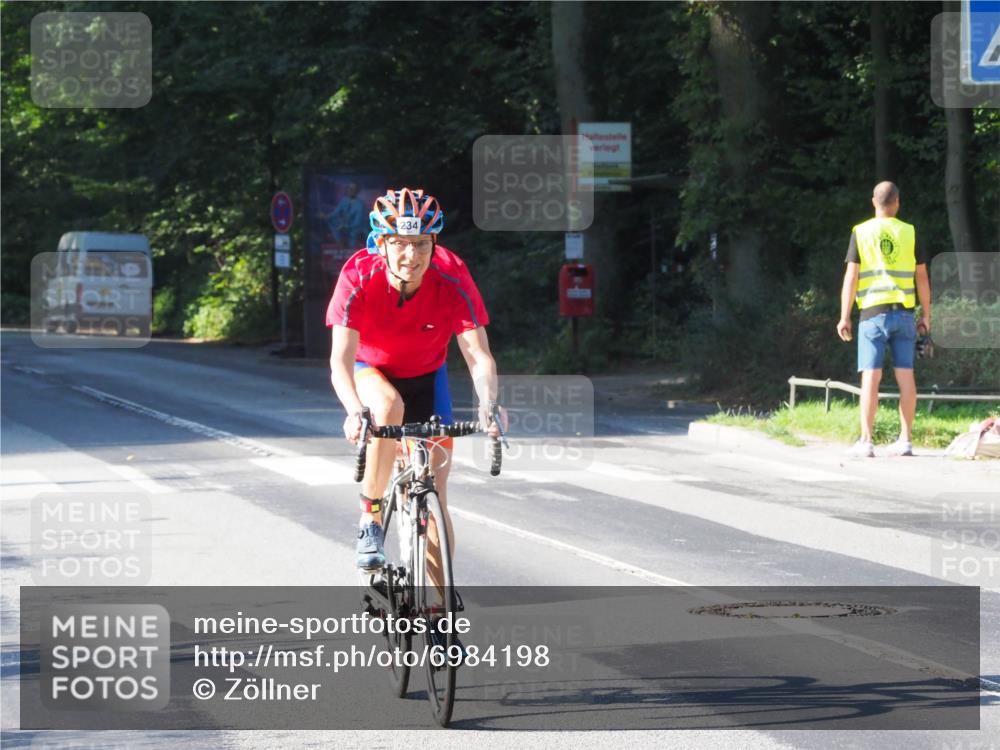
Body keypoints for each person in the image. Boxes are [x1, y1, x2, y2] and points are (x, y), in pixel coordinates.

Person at [326, 187, 507, 584]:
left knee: (435, 497)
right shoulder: (358, 275)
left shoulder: (451, 273)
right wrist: (355, 411)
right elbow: (340, 359)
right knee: (388, 406)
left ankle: (439, 620)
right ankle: (371, 518)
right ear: (382, 244)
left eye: (422, 243)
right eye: (401, 244)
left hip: (428, 378)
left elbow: (477, 354)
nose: (413, 256)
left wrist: (488, 405)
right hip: (372, 372)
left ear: (434, 241)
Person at [836, 181, 931, 457]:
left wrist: (844, 316)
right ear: (897, 202)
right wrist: (926, 314)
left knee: (871, 377)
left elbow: (851, 277)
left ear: (873, 202)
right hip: (903, 314)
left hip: (872, 316)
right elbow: (921, 276)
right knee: (906, 375)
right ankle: (906, 440)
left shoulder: (861, 232)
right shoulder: (909, 232)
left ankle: (866, 441)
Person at [326, 182, 367, 249]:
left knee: (352, 240)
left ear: (357, 191)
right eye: (349, 188)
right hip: (344, 224)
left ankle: (352, 248)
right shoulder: (344, 200)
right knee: (331, 221)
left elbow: (358, 222)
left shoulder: (360, 205)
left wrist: (346, 226)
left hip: (355, 227)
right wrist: (327, 216)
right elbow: (336, 212)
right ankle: (340, 241)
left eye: (353, 189)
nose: (351, 191)